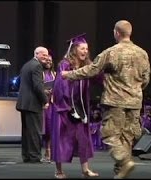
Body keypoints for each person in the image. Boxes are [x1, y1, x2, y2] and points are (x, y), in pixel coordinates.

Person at [61, 20, 151, 179]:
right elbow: (146, 79)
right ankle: (121, 171)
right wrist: (134, 90)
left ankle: (124, 161)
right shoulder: (142, 53)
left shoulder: (111, 52)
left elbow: (92, 70)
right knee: (126, 137)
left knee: (109, 134)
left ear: (116, 32)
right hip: (135, 102)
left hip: (115, 101)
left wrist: (69, 75)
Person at [51, 33, 99, 179]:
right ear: (74, 50)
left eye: (86, 49)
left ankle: (85, 169)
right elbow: (60, 86)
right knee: (61, 139)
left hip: (80, 108)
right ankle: (58, 170)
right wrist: (67, 105)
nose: (85, 51)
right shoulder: (64, 65)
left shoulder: (87, 65)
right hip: (64, 108)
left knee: (83, 138)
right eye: (82, 48)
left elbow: (98, 77)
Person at [16, 46, 49, 163]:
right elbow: (37, 86)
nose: (46, 57)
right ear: (37, 54)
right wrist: (45, 100)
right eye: (43, 55)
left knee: (26, 132)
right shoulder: (37, 66)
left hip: (24, 103)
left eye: (47, 55)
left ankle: (27, 156)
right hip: (32, 104)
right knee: (35, 131)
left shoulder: (27, 65)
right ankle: (35, 156)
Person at [40, 52, 56, 163]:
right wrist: (44, 91)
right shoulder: (40, 73)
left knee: (51, 129)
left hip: (52, 104)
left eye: (50, 60)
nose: (49, 62)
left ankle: (49, 150)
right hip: (42, 105)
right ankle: (44, 151)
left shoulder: (55, 74)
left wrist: (54, 91)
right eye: (47, 60)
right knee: (43, 130)